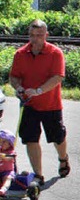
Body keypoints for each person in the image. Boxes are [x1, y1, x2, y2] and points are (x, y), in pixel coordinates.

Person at [9, 19, 69, 186]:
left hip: (51, 104)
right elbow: (13, 76)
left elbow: (58, 77)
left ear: (46, 35)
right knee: (30, 138)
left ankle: (63, 158)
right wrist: (19, 87)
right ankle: (38, 175)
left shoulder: (55, 53)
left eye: (39, 35)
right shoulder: (20, 54)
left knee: (57, 137)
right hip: (29, 104)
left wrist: (39, 91)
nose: (34, 39)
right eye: (32, 35)